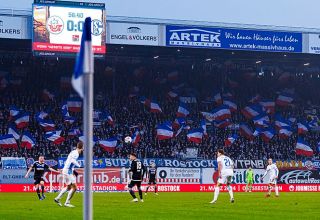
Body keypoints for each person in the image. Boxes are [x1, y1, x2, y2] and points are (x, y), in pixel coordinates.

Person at [54, 142, 83, 207]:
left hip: (66, 170)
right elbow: (72, 161)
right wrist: (79, 165)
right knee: (75, 188)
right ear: (82, 148)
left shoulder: (73, 152)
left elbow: (69, 161)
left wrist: (72, 170)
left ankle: (57, 198)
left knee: (69, 187)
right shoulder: (76, 153)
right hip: (67, 171)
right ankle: (67, 203)